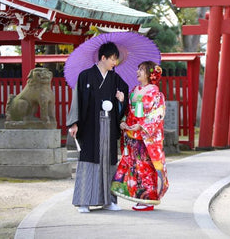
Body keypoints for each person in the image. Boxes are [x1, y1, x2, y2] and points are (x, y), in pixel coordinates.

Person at [67, 42, 128, 213]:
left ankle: (109, 200)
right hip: (90, 125)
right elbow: (77, 99)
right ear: (103, 57)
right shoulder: (85, 76)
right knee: (88, 161)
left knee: (109, 162)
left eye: (116, 60)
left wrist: (121, 99)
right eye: (113, 59)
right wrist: (74, 123)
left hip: (109, 124)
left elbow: (124, 94)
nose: (115, 63)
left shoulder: (115, 78)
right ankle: (84, 201)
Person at [111, 61, 169, 211]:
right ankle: (140, 197)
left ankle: (149, 199)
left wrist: (142, 126)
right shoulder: (134, 90)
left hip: (146, 136)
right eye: (138, 69)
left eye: (142, 70)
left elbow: (157, 114)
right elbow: (129, 112)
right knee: (136, 167)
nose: (138, 72)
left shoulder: (156, 93)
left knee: (147, 167)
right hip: (132, 134)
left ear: (150, 74)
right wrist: (123, 121)